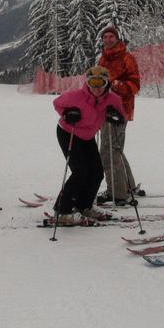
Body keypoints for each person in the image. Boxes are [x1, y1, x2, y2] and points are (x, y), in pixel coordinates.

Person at [52, 65, 127, 224]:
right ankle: (62, 210)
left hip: (87, 136)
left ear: (107, 83)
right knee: (80, 172)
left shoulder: (113, 99)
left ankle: (84, 205)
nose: (97, 87)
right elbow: (57, 103)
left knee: (97, 172)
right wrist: (67, 114)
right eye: (93, 82)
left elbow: (121, 116)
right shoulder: (75, 96)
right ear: (87, 82)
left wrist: (116, 117)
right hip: (68, 132)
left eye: (101, 82)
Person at [95, 26, 141, 205]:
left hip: (119, 111)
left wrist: (114, 85)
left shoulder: (127, 58)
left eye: (111, 36)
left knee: (108, 150)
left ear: (117, 38)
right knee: (115, 148)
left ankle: (116, 191)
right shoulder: (103, 59)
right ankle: (127, 185)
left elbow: (135, 85)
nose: (108, 40)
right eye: (105, 37)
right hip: (104, 111)